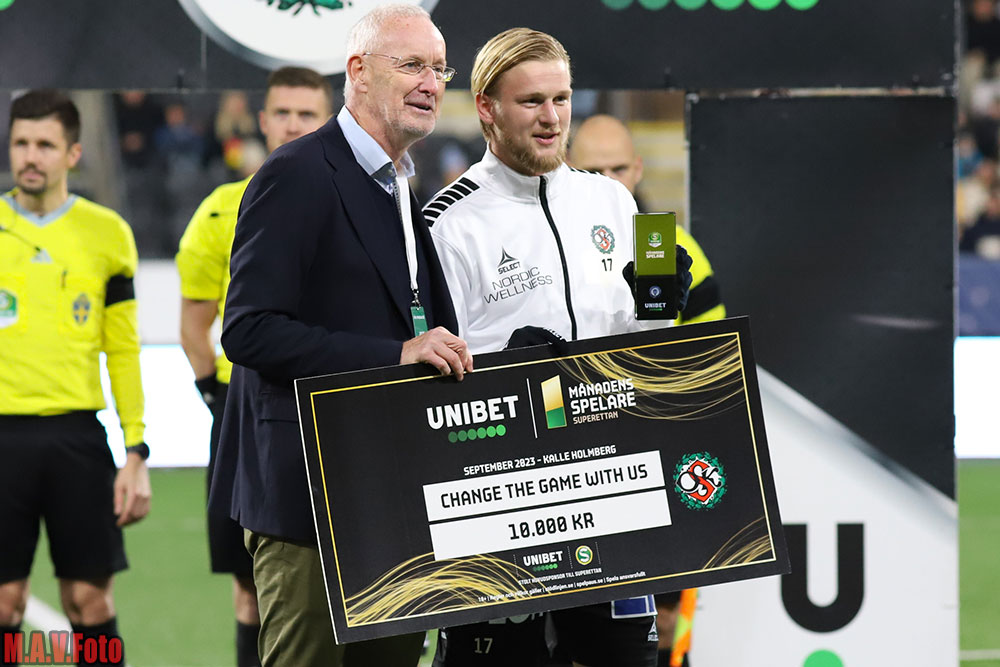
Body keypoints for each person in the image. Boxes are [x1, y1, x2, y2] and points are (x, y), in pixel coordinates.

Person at [207, 5, 472, 666]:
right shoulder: (295, 172)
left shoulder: (402, 184)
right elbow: (248, 331)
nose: (431, 83)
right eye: (411, 65)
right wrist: (396, 355)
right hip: (310, 500)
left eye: (440, 70)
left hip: (395, 496)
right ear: (358, 71)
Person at [425, 28, 694, 667]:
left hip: (612, 492)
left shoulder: (612, 200)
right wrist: (506, 368)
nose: (551, 118)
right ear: (487, 107)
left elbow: (643, 355)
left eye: (561, 99)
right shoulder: (447, 222)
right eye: (531, 102)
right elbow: (430, 385)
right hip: (502, 508)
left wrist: (660, 315)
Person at [175, 66, 334, 667]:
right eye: (283, 113)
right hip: (244, 410)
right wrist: (215, 396)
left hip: (330, 406)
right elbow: (195, 321)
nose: (293, 124)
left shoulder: (348, 200)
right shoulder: (220, 211)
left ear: (328, 120)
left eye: (306, 113)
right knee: (250, 585)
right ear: (262, 121)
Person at [0, 90, 152, 665]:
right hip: (2, 438)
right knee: (4, 604)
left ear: (72, 154)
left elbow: (123, 349)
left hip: (77, 439)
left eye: (45, 144)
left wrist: (135, 449)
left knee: (89, 602)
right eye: (21, 142)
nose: (29, 155)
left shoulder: (107, 233)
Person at [569, 114, 725, 326]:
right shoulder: (555, 248)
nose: (609, 182)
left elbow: (712, 335)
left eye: (619, 169)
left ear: (638, 169)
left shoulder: (676, 245)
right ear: (568, 172)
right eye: (593, 172)